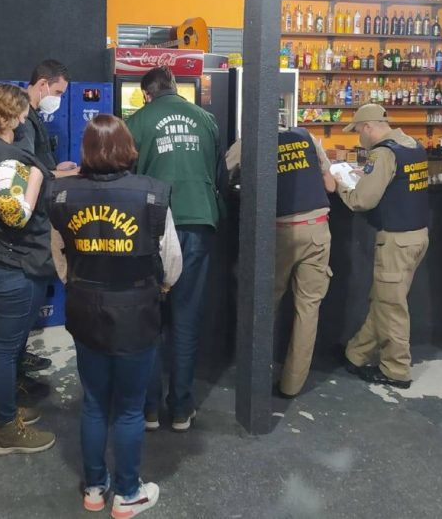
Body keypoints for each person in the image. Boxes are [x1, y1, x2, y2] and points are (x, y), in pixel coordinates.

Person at [48, 114, 181, 517]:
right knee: (129, 407)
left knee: (93, 402)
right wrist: (161, 288)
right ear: (129, 147)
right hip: (137, 312)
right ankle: (127, 493)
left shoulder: (62, 195)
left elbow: (59, 256)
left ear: (86, 149)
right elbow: (172, 260)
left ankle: (94, 488)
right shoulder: (152, 195)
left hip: (85, 309)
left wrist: (79, 284)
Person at [125, 66, 220, 432]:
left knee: (148, 318)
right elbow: (217, 172)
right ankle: (181, 408)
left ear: (146, 93)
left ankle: (149, 409)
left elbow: (128, 177)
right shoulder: (206, 120)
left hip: (152, 224)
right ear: (176, 87)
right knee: (186, 316)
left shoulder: (136, 122)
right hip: (197, 221)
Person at [0, 83, 56, 455]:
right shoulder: (5, 158)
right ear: (12, 115)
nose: (25, 118)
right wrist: (35, 178)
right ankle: (5, 428)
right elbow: (16, 216)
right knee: (5, 348)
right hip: (11, 263)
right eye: (22, 113)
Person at [224, 126, 336, 397]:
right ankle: (291, 385)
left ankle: (257, 378)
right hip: (318, 228)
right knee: (308, 309)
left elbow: (223, 176)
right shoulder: (307, 137)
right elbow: (331, 185)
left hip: (280, 232)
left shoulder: (249, 140)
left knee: (264, 304)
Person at [335, 104, 430, 390]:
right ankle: (356, 353)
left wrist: (339, 184)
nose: (358, 138)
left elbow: (361, 201)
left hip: (396, 241)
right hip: (418, 236)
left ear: (367, 127)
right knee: (383, 299)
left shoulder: (383, 153)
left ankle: (396, 370)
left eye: (358, 131)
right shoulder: (413, 145)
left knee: (391, 307)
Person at [12, 59, 78, 389]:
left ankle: (18, 356)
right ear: (42, 84)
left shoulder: (32, 116)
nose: (59, 99)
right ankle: (14, 373)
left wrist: (56, 166)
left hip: (38, 215)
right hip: (31, 222)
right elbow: (27, 172)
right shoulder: (24, 120)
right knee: (28, 299)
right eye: (58, 92)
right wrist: (68, 174)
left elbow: (39, 162)